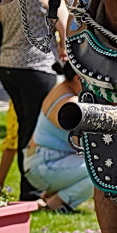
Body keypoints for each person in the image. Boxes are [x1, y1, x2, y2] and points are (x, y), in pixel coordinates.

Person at [0, 0, 64, 204]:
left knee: (24, 127)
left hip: (8, 68)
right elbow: (68, 28)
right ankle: (31, 192)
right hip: (38, 68)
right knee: (34, 132)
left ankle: (31, 188)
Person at [21, 66, 96, 211]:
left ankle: (47, 198)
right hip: (44, 166)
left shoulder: (61, 88)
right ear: (79, 79)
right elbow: (85, 143)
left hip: (41, 162)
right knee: (101, 170)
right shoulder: (72, 104)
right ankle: (57, 203)